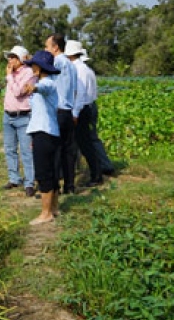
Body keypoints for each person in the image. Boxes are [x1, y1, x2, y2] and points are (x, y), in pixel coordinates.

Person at [66, 42, 114, 186]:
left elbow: (80, 94)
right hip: (86, 107)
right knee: (85, 142)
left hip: (81, 109)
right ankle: (93, 172)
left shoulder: (78, 70)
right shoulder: (85, 69)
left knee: (84, 144)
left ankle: (96, 174)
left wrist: (75, 113)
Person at [21, 50, 61, 225]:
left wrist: (34, 87)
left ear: (39, 68)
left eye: (33, 66)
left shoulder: (47, 84)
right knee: (51, 171)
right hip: (45, 132)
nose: (31, 69)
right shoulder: (45, 82)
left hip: (44, 133)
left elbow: (43, 88)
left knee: (44, 172)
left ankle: (45, 214)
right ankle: (54, 208)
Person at [1, 45, 37, 197]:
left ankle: (29, 182)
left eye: (13, 57)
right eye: (9, 56)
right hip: (8, 115)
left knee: (26, 151)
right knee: (9, 149)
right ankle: (14, 178)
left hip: (23, 116)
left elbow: (18, 92)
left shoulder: (28, 73)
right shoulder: (12, 73)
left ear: (21, 59)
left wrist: (9, 76)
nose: (9, 60)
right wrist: (10, 75)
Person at [45, 33, 78, 194]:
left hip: (57, 110)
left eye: (47, 46)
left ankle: (55, 187)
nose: (46, 50)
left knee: (55, 150)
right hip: (68, 111)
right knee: (68, 151)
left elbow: (48, 84)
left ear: (55, 47)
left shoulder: (56, 62)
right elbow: (76, 90)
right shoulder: (72, 64)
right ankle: (70, 185)